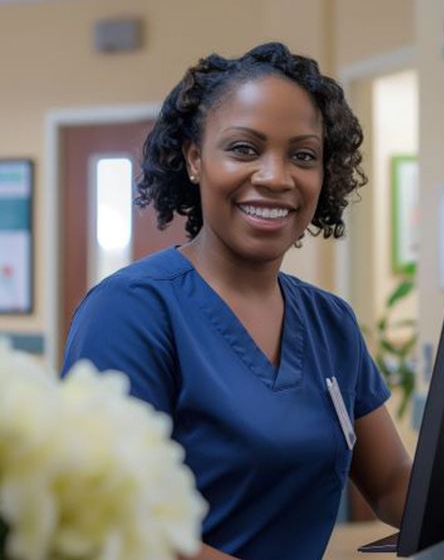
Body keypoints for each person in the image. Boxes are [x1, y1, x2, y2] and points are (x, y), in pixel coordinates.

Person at [62, 42, 412, 560]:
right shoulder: (130, 312)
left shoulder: (329, 321)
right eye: (245, 149)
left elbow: (389, 484)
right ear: (195, 159)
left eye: (303, 155)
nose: (276, 177)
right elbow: (113, 528)